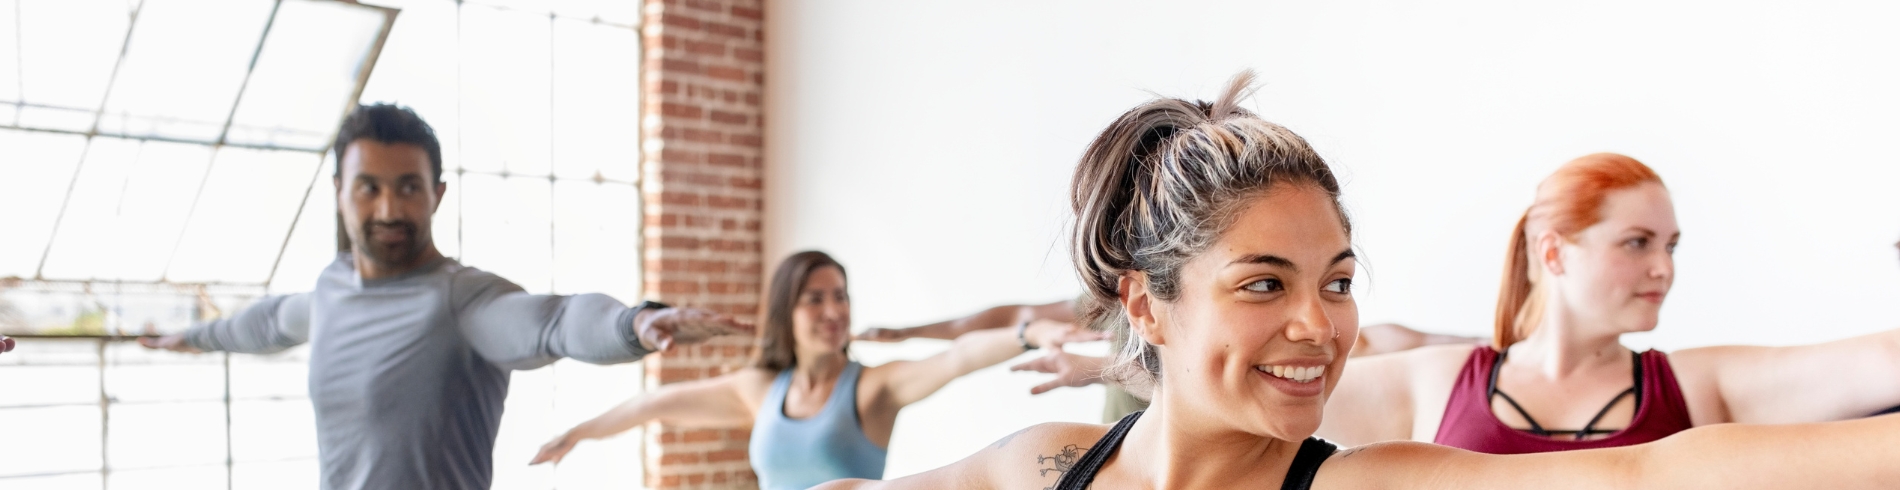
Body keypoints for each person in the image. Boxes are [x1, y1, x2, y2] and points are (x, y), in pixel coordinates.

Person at [814, 71, 1900, 490]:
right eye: (1262, 283)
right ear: (1148, 301)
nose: (1317, 323)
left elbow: (1649, 478)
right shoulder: (1041, 468)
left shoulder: (1362, 484)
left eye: (1336, 282)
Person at [138, 104, 752, 490]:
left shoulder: (460, 301)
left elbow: (556, 320)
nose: (388, 208)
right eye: (369, 187)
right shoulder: (331, 292)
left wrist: (635, 321)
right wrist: (189, 337)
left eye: (408, 187)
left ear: (436, 194)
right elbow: (269, 323)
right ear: (338, 192)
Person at [1317, 153, 1900, 453]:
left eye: (1670, 246)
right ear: (1554, 252)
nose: (1663, 267)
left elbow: (1884, 359)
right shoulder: (1438, 379)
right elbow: (1251, 395)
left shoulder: (1694, 384)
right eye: (1636, 243)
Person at [528, 250, 1100, 490]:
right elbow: (652, 405)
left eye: (841, 296)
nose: (834, 311)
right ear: (787, 311)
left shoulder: (871, 390)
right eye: (815, 299)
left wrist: (1027, 333)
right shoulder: (761, 390)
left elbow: (955, 358)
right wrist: (578, 431)